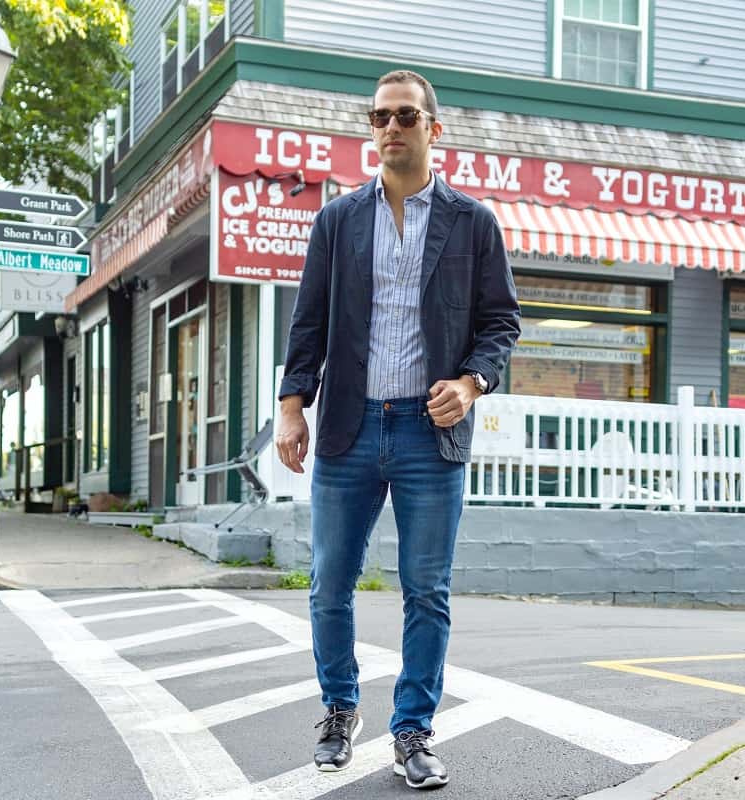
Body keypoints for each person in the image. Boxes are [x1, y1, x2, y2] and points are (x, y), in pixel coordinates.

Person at [276, 70, 520, 789]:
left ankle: (412, 729)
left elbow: (501, 322)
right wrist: (292, 405)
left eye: (405, 116)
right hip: (348, 427)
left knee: (426, 590)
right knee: (329, 584)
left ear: (433, 128)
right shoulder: (338, 220)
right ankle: (339, 708)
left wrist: (472, 383)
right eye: (379, 116)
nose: (390, 127)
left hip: (428, 433)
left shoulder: (472, 222)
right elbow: (309, 320)